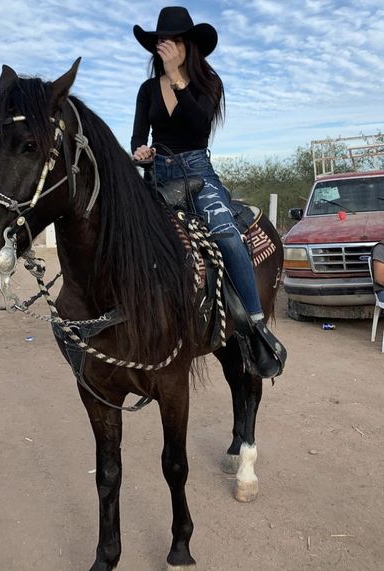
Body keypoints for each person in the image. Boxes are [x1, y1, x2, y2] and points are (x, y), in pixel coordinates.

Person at [131, 7, 285, 377]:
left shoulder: (208, 83)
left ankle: (255, 325)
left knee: (227, 236)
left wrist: (175, 79)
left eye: (174, 41)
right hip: (157, 173)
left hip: (197, 171)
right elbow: (139, 134)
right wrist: (140, 150)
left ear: (189, 46)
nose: (166, 47)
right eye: (161, 42)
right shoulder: (147, 89)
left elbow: (199, 123)